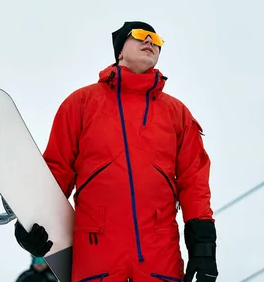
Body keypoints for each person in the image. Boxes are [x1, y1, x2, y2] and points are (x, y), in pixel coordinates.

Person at [13, 21, 218, 282]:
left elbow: (194, 184)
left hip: (160, 263)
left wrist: (203, 249)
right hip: (96, 263)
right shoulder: (81, 103)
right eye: (142, 36)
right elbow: (57, 170)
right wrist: (31, 221)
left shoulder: (177, 114)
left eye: (156, 40)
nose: (150, 42)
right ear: (119, 50)